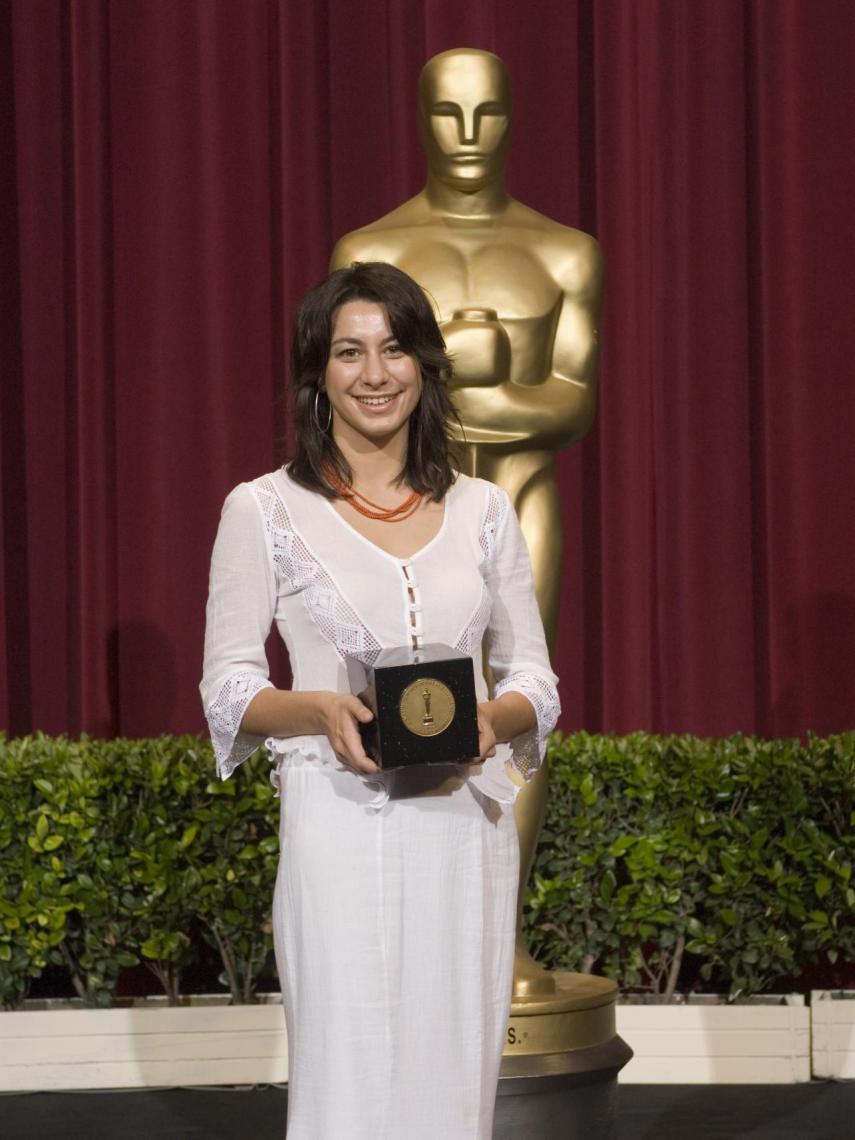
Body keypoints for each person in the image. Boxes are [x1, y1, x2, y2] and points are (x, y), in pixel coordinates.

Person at [200, 261, 559, 1139]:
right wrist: (321, 711)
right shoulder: (263, 510)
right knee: (348, 1064)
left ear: (425, 366)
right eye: (349, 352)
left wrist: (492, 719)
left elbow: (535, 682)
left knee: (452, 1071)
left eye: (395, 350)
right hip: (335, 818)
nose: (374, 373)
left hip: (462, 826)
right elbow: (229, 686)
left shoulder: (482, 509)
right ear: (317, 375)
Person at [330, 49, 602, 997]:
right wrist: (488, 383)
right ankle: (418, 944)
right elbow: (349, 397)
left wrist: (440, 390)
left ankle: (502, 943)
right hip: (403, 506)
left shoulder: (564, 251)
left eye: (487, 113)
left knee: (518, 712)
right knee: (398, 706)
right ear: (420, 119)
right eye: (450, 115)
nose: (470, 135)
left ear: (513, 116)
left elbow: (571, 404)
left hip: (521, 498)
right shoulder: (374, 252)